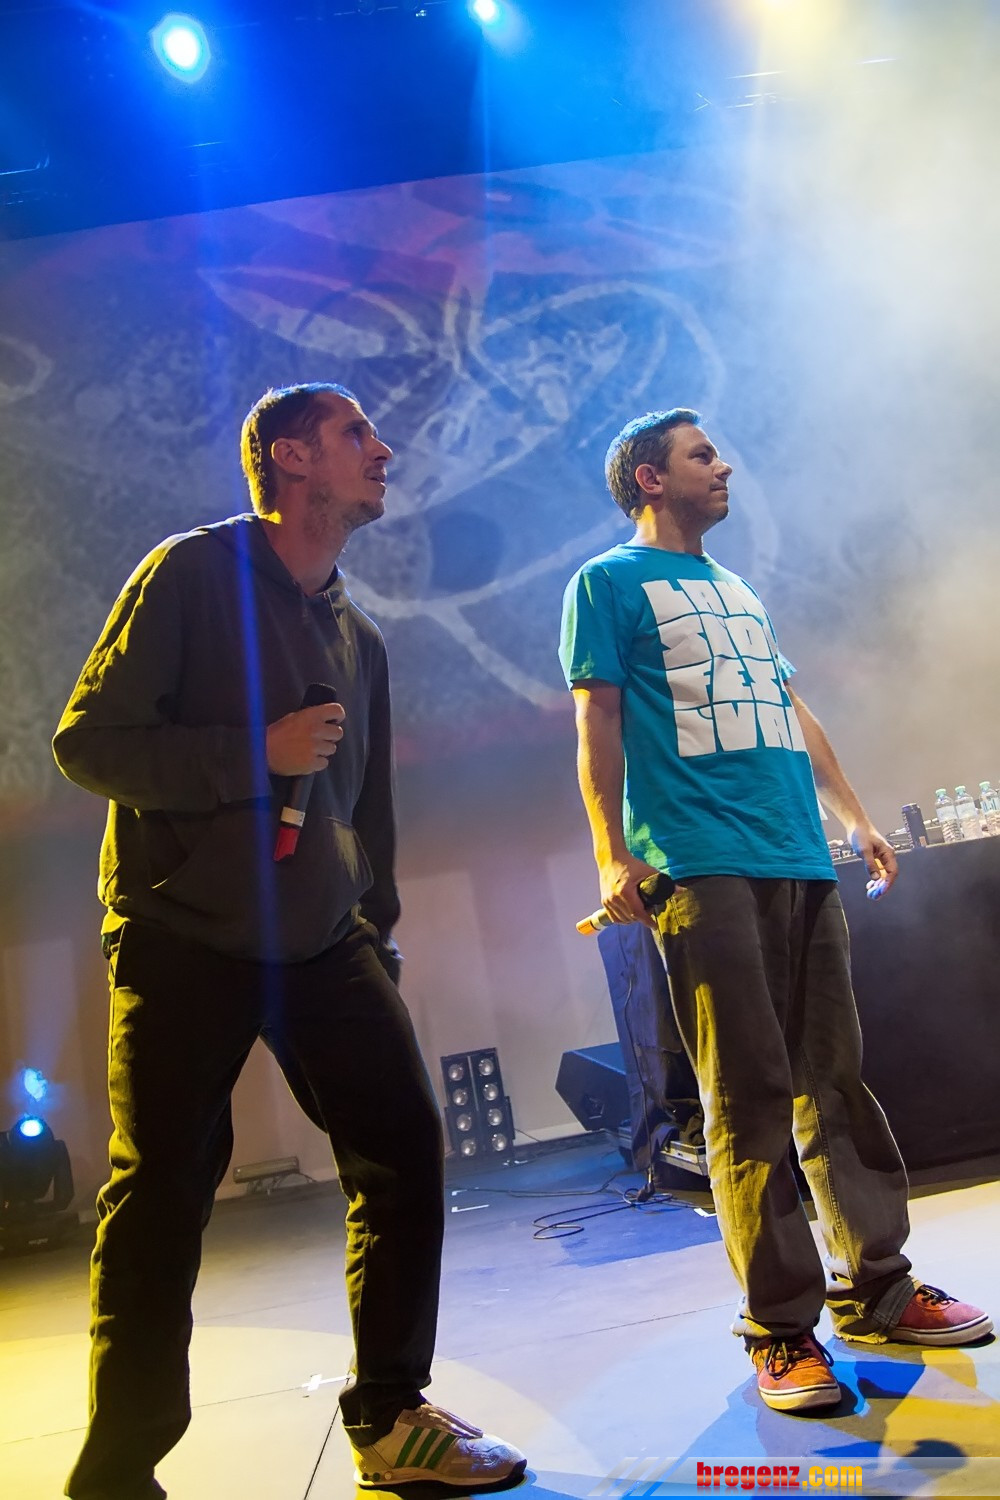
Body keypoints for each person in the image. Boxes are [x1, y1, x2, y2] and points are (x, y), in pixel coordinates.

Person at [53, 382, 526, 1498]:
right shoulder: (190, 573)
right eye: (358, 433)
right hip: (182, 934)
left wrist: (376, 933)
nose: (385, 450)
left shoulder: (359, 636)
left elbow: (368, 817)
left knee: (403, 1147)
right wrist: (252, 752)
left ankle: (391, 1416)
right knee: (162, 1193)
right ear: (289, 457)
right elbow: (88, 743)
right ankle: (116, 1471)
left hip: (322, 942)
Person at [558, 408, 992, 1413]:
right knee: (745, 1095)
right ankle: (780, 1331)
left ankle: (877, 1288)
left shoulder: (737, 589)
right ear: (649, 477)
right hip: (699, 861)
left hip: (793, 853)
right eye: (701, 455)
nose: (724, 467)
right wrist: (611, 854)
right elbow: (597, 718)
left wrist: (852, 815)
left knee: (831, 1081)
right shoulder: (606, 583)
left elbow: (789, 708)